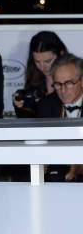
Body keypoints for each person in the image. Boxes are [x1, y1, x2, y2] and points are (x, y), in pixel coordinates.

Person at [37, 53, 83, 181]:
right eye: (58, 84)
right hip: (56, 173)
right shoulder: (45, 105)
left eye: (68, 83)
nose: (63, 90)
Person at [13, 31, 67, 117]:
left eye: (47, 61)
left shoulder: (74, 80)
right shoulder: (35, 83)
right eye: (37, 61)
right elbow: (30, 122)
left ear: (61, 54)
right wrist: (21, 107)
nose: (42, 67)